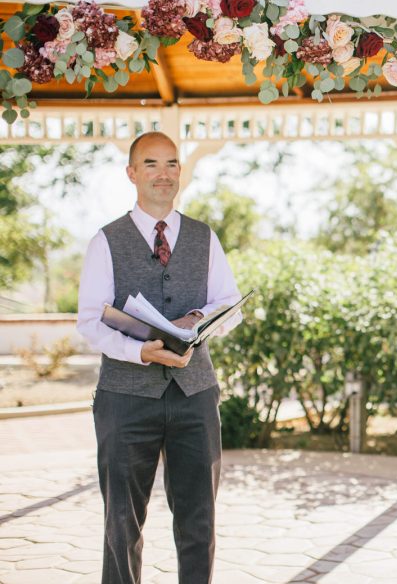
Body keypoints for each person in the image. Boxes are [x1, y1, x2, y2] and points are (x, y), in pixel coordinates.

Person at [77, 131, 242, 582]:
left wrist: (198, 318)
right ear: (132, 173)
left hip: (195, 394)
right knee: (122, 522)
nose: (163, 174)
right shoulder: (105, 241)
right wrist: (139, 352)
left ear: (180, 173)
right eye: (151, 164)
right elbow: (90, 322)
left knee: (198, 520)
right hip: (125, 398)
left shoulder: (205, 237)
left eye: (171, 164)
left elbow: (229, 305)